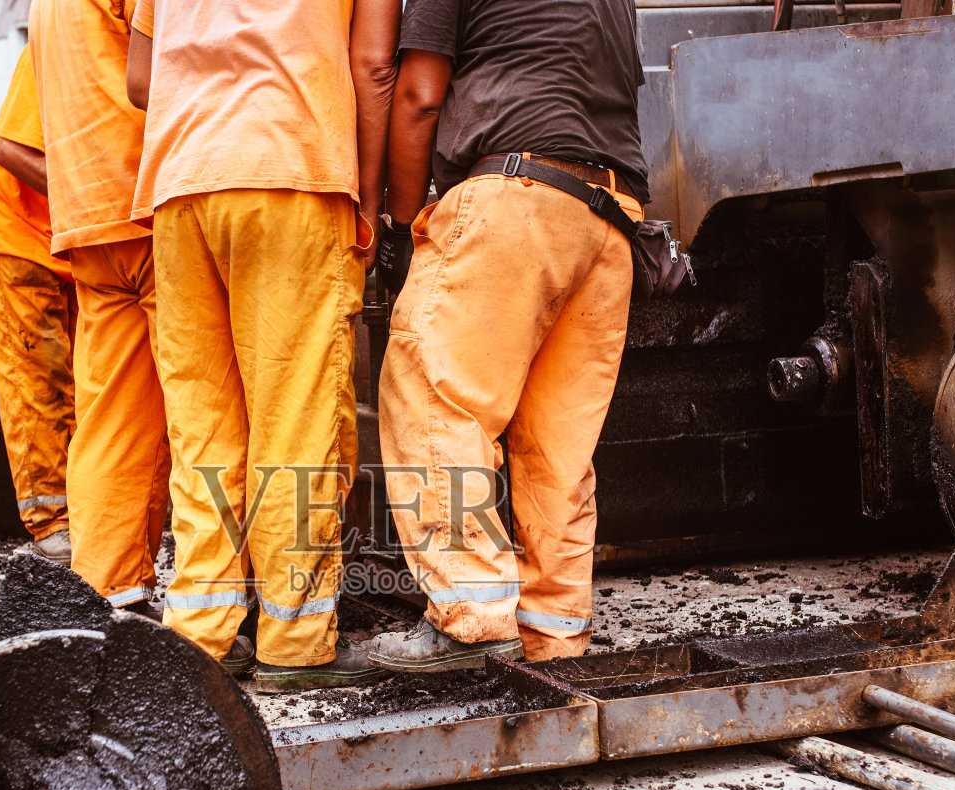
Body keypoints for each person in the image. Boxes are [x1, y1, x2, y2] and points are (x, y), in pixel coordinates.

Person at [125, 0, 400, 692]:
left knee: (203, 424)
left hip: (182, 184)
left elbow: (139, 76)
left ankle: (201, 633)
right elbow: (373, 65)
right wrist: (370, 198)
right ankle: (297, 640)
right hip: (291, 168)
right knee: (296, 417)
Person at [367, 0, 650, 671]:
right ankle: (553, 632)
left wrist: (403, 227)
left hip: (514, 193)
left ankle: (469, 618)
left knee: (432, 392)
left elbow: (416, 96)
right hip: (609, 218)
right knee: (556, 445)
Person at [8, 0, 182, 640]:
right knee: (200, 412)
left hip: (86, 219)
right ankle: (211, 605)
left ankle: (109, 589)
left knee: (112, 412)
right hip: (148, 205)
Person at [0, 48, 76, 565]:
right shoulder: (64, 38)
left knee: (88, 377)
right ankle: (52, 524)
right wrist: (94, 201)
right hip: (18, 231)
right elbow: (12, 151)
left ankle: (92, 511)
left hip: (77, 237)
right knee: (38, 377)